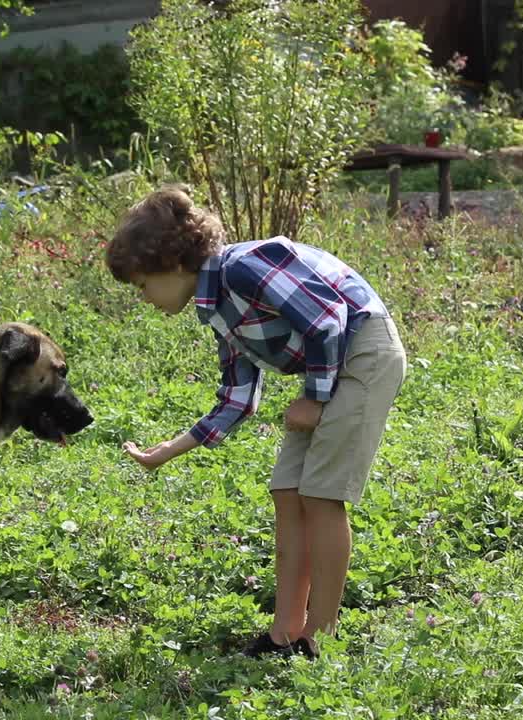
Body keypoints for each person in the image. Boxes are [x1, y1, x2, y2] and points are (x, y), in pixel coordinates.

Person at [105, 186, 406, 658]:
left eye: (143, 284)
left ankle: (318, 639)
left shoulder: (241, 268)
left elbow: (328, 320)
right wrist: (166, 451)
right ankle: (285, 631)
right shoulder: (218, 308)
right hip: (330, 368)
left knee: (323, 496)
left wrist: (314, 397)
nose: (143, 297)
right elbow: (238, 398)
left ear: (172, 262)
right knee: (288, 491)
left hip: (365, 354)